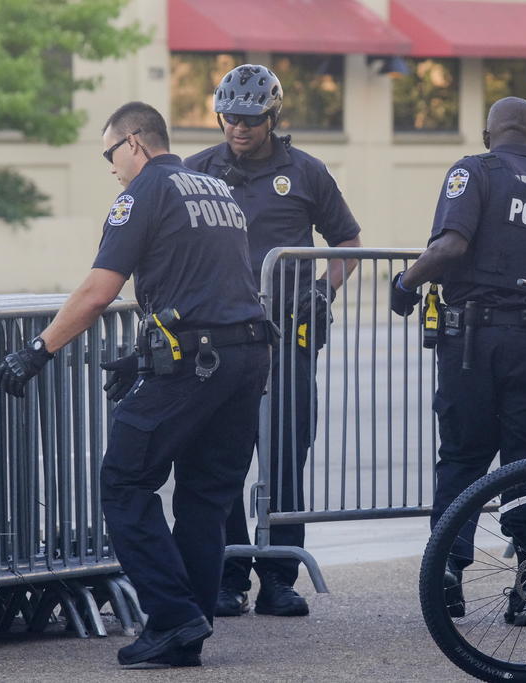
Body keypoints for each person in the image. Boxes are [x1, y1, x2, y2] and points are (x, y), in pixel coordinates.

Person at [0, 102, 270, 668]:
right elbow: (207, 284)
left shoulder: (144, 192)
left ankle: (172, 616)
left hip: (198, 361)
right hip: (245, 357)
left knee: (123, 482)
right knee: (205, 498)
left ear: (135, 143)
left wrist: (38, 350)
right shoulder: (216, 190)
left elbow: (99, 290)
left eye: (110, 155)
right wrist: (144, 356)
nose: (112, 168)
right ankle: (186, 632)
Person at [390, 97, 526, 625]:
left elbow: (451, 246)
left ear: (486, 135)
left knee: (463, 455)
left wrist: (405, 283)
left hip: (473, 345)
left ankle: (447, 574)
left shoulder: (473, 171)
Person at [184, 64, 362, 618]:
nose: (238, 128)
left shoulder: (306, 172)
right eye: (230, 118)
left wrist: (323, 289)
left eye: (250, 119)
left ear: (273, 118)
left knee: (284, 460)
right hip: (220, 344)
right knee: (222, 460)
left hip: (287, 341)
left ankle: (279, 579)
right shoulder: (197, 171)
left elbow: (348, 242)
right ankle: (228, 576)